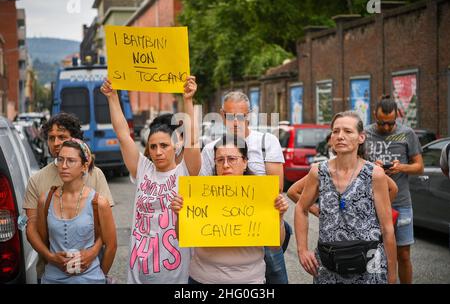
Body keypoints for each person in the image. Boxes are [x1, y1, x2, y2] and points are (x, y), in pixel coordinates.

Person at [100, 76, 201, 284]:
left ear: (176, 146)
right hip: (140, 268)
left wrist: (188, 100)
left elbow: (192, 139)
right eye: (153, 147)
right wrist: (112, 97)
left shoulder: (186, 171)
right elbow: (123, 135)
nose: (158, 151)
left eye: (164, 146)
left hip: (176, 271)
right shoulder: (143, 169)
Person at [295, 111, 397, 284]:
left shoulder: (374, 174)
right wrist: (302, 250)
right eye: (336, 131)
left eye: (348, 131)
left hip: (369, 265)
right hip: (329, 264)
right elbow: (300, 208)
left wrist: (392, 275)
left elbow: (387, 228)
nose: (340, 136)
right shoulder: (318, 171)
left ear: (361, 137)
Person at [171, 134, 289, 284]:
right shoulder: (198, 194)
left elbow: (275, 245)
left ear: (245, 162)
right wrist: (180, 214)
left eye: (232, 159)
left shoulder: (262, 196)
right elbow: (182, 236)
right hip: (202, 279)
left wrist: (279, 218)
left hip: (249, 282)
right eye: (220, 160)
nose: (225, 165)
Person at [200, 90, 290, 284]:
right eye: (230, 116)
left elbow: (277, 187)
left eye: (240, 116)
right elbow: (203, 191)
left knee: (276, 278)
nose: (235, 122)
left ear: (249, 115)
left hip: (259, 227)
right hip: (223, 227)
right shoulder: (210, 149)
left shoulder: (267, 141)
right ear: (222, 115)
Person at [24, 112, 114, 282]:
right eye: (51, 138)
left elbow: (107, 228)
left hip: (90, 270)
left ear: (75, 139)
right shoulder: (37, 180)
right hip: (50, 272)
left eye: (62, 137)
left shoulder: (95, 175)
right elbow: (31, 228)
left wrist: (92, 253)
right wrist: (50, 257)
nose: (56, 143)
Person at [365, 95, 423, 284]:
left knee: (403, 255)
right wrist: (373, 167)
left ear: (397, 116)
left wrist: (401, 167)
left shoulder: (407, 134)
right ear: (375, 115)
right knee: (373, 254)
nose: (387, 128)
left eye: (391, 123)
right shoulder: (364, 134)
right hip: (371, 204)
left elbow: (419, 167)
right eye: (382, 123)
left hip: (401, 204)